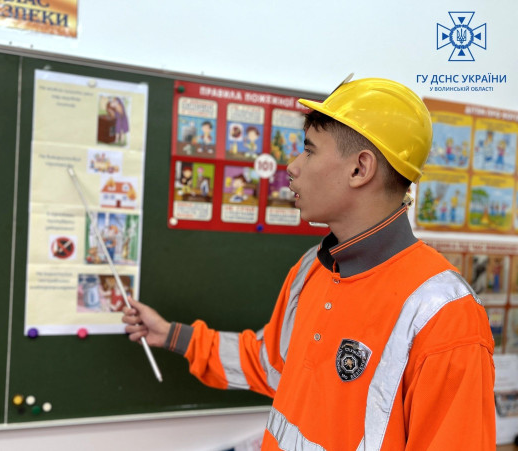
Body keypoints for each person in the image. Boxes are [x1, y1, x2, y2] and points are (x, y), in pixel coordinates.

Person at [122, 77, 495, 450]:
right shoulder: (312, 269)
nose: (292, 166)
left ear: (359, 169)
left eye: (309, 151)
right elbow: (268, 362)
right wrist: (171, 335)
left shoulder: (445, 314)